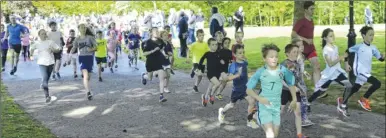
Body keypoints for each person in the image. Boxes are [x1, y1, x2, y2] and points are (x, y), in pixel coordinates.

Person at [246, 43, 297, 138]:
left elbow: (291, 84)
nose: (274, 59)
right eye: (271, 57)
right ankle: (258, 114)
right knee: (271, 134)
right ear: (264, 59)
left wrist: (294, 99)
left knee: (275, 134)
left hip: (276, 106)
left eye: (276, 57)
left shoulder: (283, 70)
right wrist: (259, 99)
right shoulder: (260, 71)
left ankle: (257, 116)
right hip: (264, 105)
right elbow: (248, 90)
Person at [307, 28, 353, 116]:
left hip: (337, 73)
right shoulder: (325, 50)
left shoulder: (335, 47)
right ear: (325, 38)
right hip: (329, 74)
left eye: (333, 35)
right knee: (320, 91)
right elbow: (330, 63)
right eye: (330, 36)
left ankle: (342, 105)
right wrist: (341, 56)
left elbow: (338, 59)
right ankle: (308, 103)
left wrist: (345, 63)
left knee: (349, 86)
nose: (333, 37)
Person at [339, 26, 384, 114]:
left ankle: (341, 101)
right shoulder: (359, 46)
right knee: (377, 83)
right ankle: (364, 99)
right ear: (363, 35)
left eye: (373, 35)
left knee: (355, 88)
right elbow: (346, 52)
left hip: (366, 72)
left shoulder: (373, 48)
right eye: (370, 35)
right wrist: (346, 63)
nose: (372, 37)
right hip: (360, 72)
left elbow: (381, 59)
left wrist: (383, 56)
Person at [218, 44, 258, 129]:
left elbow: (245, 65)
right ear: (234, 55)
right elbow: (228, 78)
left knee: (252, 101)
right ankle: (222, 111)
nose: (242, 54)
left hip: (246, 88)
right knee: (232, 105)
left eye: (243, 52)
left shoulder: (244, 62)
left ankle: (249, 120)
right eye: (239, 53)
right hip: (237, 90)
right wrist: (237, 75)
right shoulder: (233, 66)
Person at [280, 44, 309, 138]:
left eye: (297, 52)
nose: (296, 54)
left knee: (298, 112)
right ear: (287, 54)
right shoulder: (284, 64)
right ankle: (270, 128)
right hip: (284, 90)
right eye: (294, 52)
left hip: (295, 91)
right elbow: (280, 79)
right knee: (280, 111)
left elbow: (297, 78)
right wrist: (290, 87)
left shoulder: (297, 63)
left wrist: (301, 89)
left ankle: (299, 134)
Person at [292, 1, 321, 91]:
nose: (313, 11)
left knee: (317, 66)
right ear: (305, 10)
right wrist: (305, 40)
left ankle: (317, 89)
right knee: (298, 71)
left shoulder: (311, 21)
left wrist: (310, 41)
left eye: (314, 9)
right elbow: (293, 34)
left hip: (311, 49)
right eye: (311, 9)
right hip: (301, 49)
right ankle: (296, 89)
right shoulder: (301, 21)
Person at [29, 29, 62, 103]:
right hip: (42, 63)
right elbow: (32, 48)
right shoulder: (37, 43)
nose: (43, 35)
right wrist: (31, 55)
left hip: (50, 62)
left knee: (46, 79)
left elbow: (58, 49)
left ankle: (43, 84)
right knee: (44, 79)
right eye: (42, 34)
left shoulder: (50, 42)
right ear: (39, 35)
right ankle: (47, 96)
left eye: (44, 34)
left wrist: (53, 49)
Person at [67, 24, 97, 101]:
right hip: (82, 58)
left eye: (84, 27)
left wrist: (92, 49)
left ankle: (87, 89)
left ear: (85, 29)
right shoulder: (77, 39)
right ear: (79, 29)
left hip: (89, 58)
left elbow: (96, 47)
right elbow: (73, 48)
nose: (83, 29)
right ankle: (88, 92)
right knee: (86, 75)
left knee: (88, 77)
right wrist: (69, 57)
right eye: (81, 28)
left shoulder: (90, 38)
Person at [141, 27, 168, 103]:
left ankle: (161, 96)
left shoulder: (160, 41)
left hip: (158, 62)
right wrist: (153, 51)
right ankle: (144, 76)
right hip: (150, 62)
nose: (157, 32)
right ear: (151, 33)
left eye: (157, 31)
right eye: (155, 31)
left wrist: (164, 55)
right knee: (149, 78)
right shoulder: (146, 42)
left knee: (161, 78)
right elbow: (144, 53)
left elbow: (161, 50)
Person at [291, 38, 314, 126]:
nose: (302, 47)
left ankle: (304, 119)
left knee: (304, 101)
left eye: (302, 45)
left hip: (302, 82)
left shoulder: (302, 56)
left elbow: (301, 69)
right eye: (299, 45)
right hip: (297, 83)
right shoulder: (295, 59)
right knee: (303, 101)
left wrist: (305, 73)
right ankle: (303, 120)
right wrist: (297, 85)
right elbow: (293, 71)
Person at [197, 38, 222, 106]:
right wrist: (199, 68)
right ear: (209, 46)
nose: (215, 46)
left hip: (217, 73)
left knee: (210, 87)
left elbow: (220, 62)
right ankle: (211, 95)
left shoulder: (218, 53)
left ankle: (205, 97)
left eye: (216, 44)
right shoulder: (207, 53)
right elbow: (201, 59)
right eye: (213, 45)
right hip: (210, 73)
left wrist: (222, 62)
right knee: (218, 84)